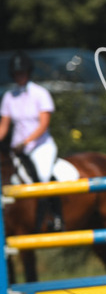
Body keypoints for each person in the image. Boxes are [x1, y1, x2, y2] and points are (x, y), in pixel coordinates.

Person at [0, 51, 62, 230]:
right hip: (17, 148)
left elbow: (44, 124)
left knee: (43, 176)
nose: (19, 76)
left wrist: (26, 141)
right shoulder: (9, 97)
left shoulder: (40, 93)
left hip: (40, 146)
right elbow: (4, 126)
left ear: (28, 72)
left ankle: (54, 217)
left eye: (22, 72)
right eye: (16, 73)